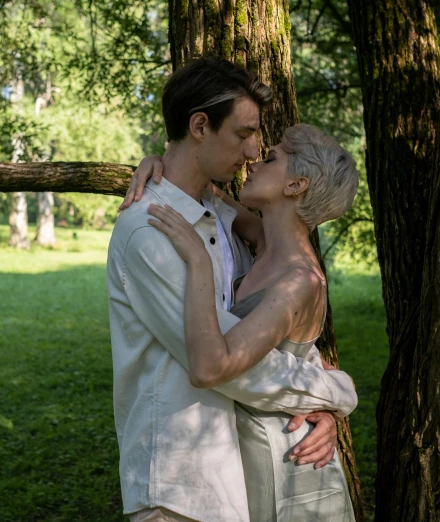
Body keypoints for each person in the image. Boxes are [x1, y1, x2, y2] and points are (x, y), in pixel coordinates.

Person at [107, 57, 357, 522]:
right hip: (178, 487)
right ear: (200, 125)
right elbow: (225, 364)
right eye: (244, 134)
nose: (252, 151)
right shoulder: (152, 232)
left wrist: (325, 401)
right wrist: (336, 395)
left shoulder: (224, 222)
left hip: (239, 474)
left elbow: (279, 338)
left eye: (262, 143)